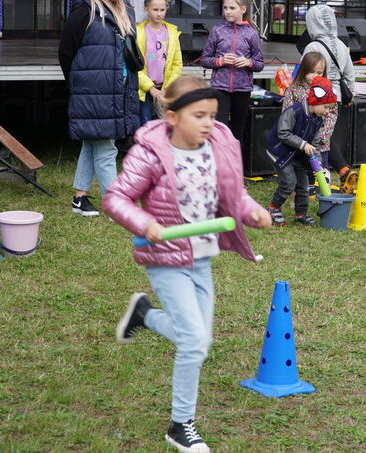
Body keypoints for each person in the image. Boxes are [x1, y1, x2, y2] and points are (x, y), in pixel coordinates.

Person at [103, 75, 272, 453]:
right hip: (165, 259)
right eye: (199, 115)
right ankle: (181, 425)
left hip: (202, 258)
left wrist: (252, 210)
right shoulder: (150, 152)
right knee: (194, 341)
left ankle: (145, 315)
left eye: (212, 115)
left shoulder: (217, 146)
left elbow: (234, 192)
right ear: (172, 115)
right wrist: (146, 224)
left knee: (199, 339)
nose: (209, 123)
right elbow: (116, 198)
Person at [58, 0, 140, 217]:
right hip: (94, 91)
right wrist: (79, 82)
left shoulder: (125, 9)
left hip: (119, 89)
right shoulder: (84, 10)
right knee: (106, 148)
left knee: (93, 143)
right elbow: (66, 51)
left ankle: (79, 198)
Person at [301, 4, 358, 194]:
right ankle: (343, 170)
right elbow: (350, 73)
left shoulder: (313, 46)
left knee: (315, 138)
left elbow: (304, 74)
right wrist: (350, 93)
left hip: (317, 99)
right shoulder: (342, 45)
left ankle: (317, 179)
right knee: (324, 136)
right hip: (337, 98)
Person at [266, 75, 337, 226]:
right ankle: (273, 208)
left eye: (329, 108)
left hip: (296, 155)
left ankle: (300, 214)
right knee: (289, 182)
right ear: (315, 101)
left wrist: (320, 166)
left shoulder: (318, 119)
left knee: (304, 185)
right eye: (325, 107)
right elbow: (283, 133)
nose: (326, 112)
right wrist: (303, 145)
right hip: (279, 152)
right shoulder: (295, 111)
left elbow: (315, 144)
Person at [198, 0, 264, 144]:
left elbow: (260, 64)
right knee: (218, 131)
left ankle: (235, 166)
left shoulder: (251, 33)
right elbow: (204, 59)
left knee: (237, 132)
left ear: (243, 9)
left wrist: (249, 63)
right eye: (226, 7)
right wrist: (220, 61)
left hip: (243, 89)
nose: (228, 11)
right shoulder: (217, 31)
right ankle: (217, 166)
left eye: (232, 8)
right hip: (220, 88)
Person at [280, 52, 329, 192]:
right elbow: (286, 114)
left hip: (317, 139)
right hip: (296, 139)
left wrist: (323, 135)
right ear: (303, 70)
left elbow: (331, 113)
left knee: (318, 168)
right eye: (311, 71)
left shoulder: (326, 90)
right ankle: (294, 196)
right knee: (296, 169)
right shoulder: (293, 90)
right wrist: (295, 138)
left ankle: (319, 194)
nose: (315, 76)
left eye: (319, 72)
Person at [136, 0, 182, 124]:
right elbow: (135, 64)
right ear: (146, 9)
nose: (159, 13)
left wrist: (167, 88)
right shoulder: (139, 32)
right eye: (155, 9)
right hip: (144, 90)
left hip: (164, 90)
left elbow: (177, 64)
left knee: (166, 125)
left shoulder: (172, 33)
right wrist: (150, 88)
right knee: (145, 125)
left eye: (162, 9)